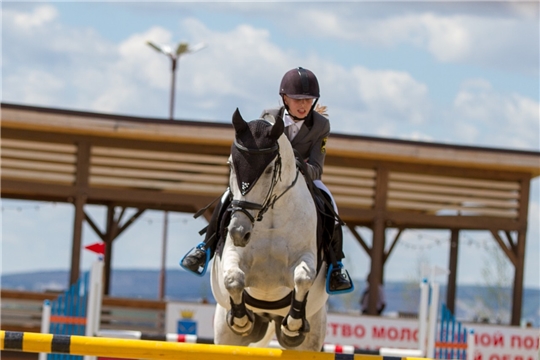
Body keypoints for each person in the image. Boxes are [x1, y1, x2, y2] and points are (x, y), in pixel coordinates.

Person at [181, 66, 353, 293]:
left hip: (301, 179)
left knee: (330, 202)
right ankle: (205, 247)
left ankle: (336, 264)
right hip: (267, 178)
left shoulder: (321, 125)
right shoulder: (269, 115)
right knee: (228, 196)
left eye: (308, 100)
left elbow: (317, 167)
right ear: (284, 98)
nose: (303, 105)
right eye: (297, 99)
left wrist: (295, 167)